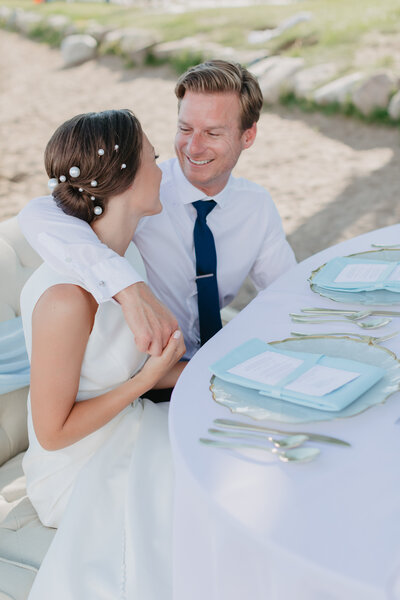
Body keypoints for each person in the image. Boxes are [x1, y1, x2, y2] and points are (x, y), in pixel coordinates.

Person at [18, 59, 296, 375]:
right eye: (184, 128)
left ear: (248, 136)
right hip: (146, 375)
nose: (193, 147)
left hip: (208, 364)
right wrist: (128, 287)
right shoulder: (140, 190)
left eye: (212, 133)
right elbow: (38, 212)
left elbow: (287, 292)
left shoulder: (256, 206)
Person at [20, 109, 186, 599]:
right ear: (124, 180)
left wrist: (209, 371)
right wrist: (143, 381)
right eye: (152, 158)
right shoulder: (66, 300)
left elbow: (137, 370)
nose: (162, 168)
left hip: (129, 427)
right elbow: (53, 434)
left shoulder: (123, 261)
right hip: (77, 469)